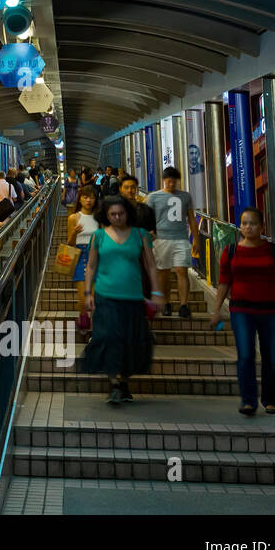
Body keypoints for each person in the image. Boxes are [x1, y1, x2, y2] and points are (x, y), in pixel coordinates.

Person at [210, 207, 275, 416]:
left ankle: (270, 400)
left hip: (271, 312)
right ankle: (249, 401)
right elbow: (224, 282)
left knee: (271, 357)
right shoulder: (230, 251)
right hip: (241, 310)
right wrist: (216, 310)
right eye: (244, 223)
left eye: (253, 223)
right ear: (240, 226)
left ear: (262, 226)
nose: (248, 227)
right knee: (246, 355)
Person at [82, 195, 160, 405]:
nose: (117, 217)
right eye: (112, 214)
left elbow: (151, 265)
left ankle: (124, 383)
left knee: (130, 341)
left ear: (128, 213)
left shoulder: (140, 234)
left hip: (133, 296)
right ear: (106, 216)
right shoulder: (98, 236)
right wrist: (88, 293)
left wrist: (157, 292)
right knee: (109, 337)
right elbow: (90, 266)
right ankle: (115, 384)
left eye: (121, 213)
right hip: (105, 295)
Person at [144, 167, 201, 317]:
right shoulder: (153, 197)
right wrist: (148, 234)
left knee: (182, 270)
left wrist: (196, 239)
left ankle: (184, 305)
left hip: (181, 238)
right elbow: (146, 216)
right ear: (164, 180)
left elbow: (191, 219)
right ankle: (167, 302)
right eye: (169, 181)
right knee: (163, 273)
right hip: (160, 239)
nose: (171, 184)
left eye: (174, 181)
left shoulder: (185, 196)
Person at [67, 184, 100, 338]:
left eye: (92, 197)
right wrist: (74, 233)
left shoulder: (99, 217)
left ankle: (93, 331)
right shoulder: (74, 218)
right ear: (80, 199)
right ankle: (83, 318)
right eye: (85, 197)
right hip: (80, 256)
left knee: (94, 297)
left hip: (97, 256)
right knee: (82, 298)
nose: (89, 200)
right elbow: (70, 244)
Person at [118, 173, 156, 238]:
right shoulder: (115, 209)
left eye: (133, 187)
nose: (130, 190)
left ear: (136, 188)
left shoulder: (146, 209)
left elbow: (153, 230)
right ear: (120, 189)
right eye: (126, 187)